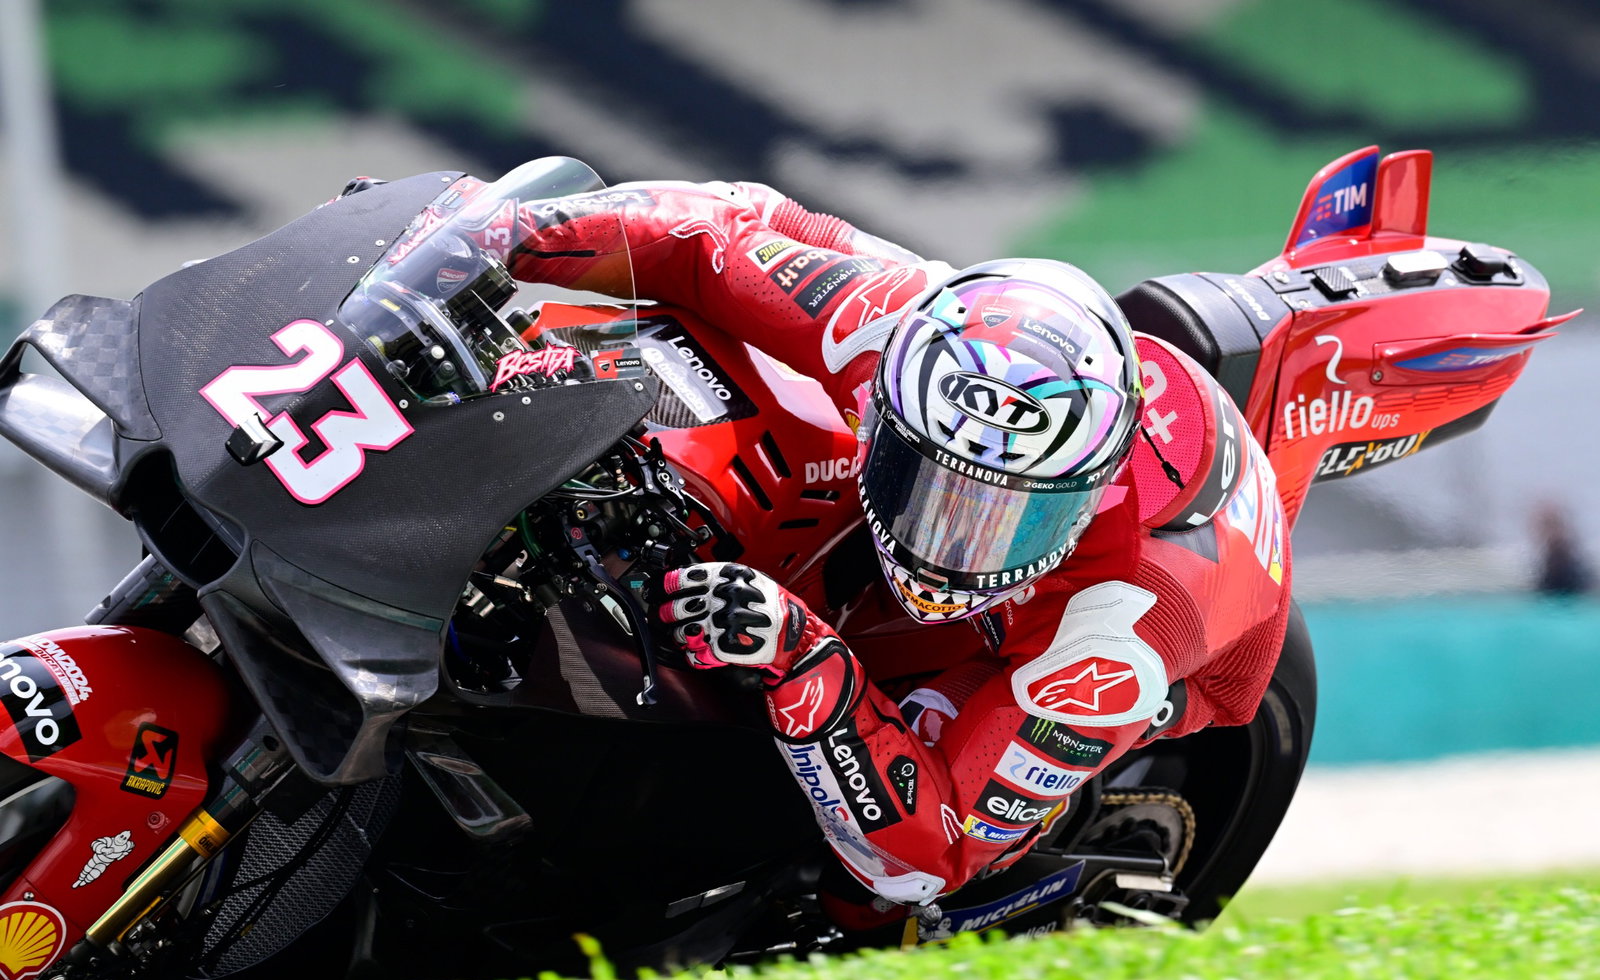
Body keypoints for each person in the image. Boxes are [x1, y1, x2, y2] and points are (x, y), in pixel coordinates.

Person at [433, 169, 1294, 925]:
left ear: (1086, 500)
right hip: (951, 333)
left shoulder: (1119, 627)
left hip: (1162, 647)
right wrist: (494, 240)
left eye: (1008, 518)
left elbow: (929, 853)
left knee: (877, 900)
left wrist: (802, 656)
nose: (948, 545)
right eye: (931, 486)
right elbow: (706, 236)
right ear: (888, 410)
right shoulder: (891, 328)